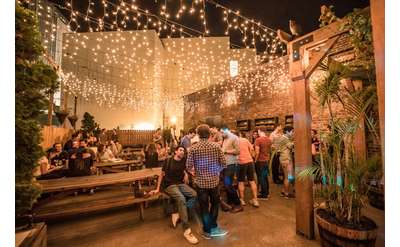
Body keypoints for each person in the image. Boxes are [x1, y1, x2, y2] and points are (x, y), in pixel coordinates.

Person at [186, 124, 228, 239]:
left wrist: (195, 173)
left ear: (198, 135)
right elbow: (224, 163)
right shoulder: (216, 146)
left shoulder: (193, 148)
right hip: (214, 182)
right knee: (215, 204)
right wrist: (216, 171)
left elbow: (189, 166)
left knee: (204, 207)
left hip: (200, 183)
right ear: (209, 134)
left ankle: (207, 231)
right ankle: (213, 226)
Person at [150, 146, 199, 244]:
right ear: (176, 151)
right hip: (169, 185)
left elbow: (188, 169)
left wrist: (186, 173)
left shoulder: (184, 161)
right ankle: (186, 231)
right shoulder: (168, 161)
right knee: (181, 199)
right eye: (180, 150)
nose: (182, 152)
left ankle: (179, 212)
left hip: (180, 184)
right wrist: (157, 189)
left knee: (194, 194)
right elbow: (161, 175)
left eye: (183, 151)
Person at [220, 127, 243, 213]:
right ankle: (231, 203)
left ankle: (238, 205)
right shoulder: (225, 138)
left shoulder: (234, 137)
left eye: (222, 132)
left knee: (228, 185)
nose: (221, 134)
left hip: (231, 164)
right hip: (225, 165)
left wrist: (225, 151)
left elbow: (238, 151)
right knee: (226, 185)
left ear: (227, 130)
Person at [238, 132, 259, 207]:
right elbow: (252, 150)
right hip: (250, 162)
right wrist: (251, 157)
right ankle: (255, 200)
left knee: (241, 182)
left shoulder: (234, 141)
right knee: (252, 181)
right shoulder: (245, 140)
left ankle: (242, 200)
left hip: (241, 163)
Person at [275, 126, 295, 198]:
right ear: (287, 132)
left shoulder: (283, 138)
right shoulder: (285, 138)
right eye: (292, 131)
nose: (293, 133)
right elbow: (291, 146)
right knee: (288, 177)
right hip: (286, 159)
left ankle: (284, 190)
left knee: (288, 176)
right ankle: (286, 194)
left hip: (284, 158)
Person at [254, 127, 272, 200]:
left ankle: (264, 195)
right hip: (266, 161)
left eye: (258, 131)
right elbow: (270, 151)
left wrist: (255, 160)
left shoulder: (258, 140)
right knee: (265, 177)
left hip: (260, 161)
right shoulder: (269, 140)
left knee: (261, 178)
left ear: (259, 131)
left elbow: (257, 152)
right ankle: (266, 193)